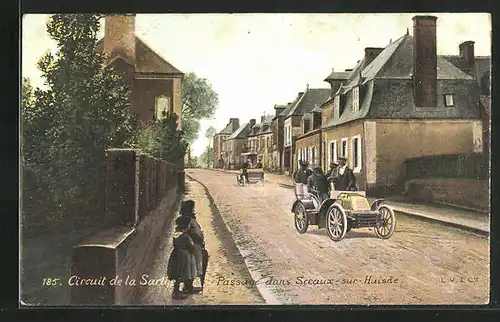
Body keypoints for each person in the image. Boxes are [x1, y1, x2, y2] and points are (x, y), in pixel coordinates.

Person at [167, 216, 198, 300]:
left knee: (178, 273)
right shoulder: (186, 236)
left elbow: (175, 244)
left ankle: (183, 289)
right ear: (186, 226)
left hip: (176, 255)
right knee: (186, 273)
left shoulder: (176, 234)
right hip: (185, 257)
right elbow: (191, 246)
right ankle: (179, 292)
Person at [179, 200, 205, 294]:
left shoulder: (190, 219)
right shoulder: (187, 220)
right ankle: (188, 287)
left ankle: (189, 286)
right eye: (192, 208)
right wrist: (198, 238)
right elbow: (190, 232)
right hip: (193, 247)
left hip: (196, 246)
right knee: (191, 267)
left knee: (194, 267)